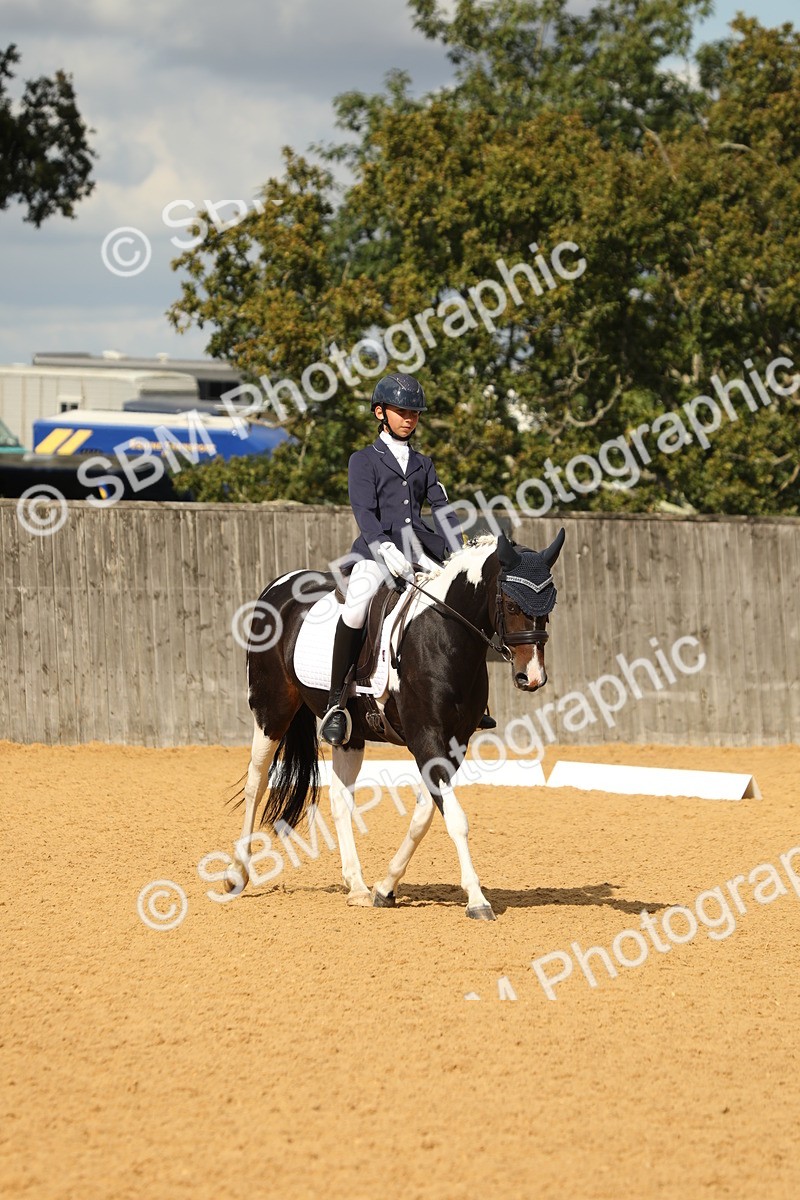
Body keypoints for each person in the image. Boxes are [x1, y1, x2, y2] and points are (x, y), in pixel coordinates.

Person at [320, 372, 463, 746]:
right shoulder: (363, 460)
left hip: (421, 553)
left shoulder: (424, 463)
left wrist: (459, 551)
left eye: (414, 413)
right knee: (356, 608)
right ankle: (336, 703)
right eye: (402, 411)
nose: (409, 418)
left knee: (460, 603)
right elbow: (364, 511)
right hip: (375, 552)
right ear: (380, 412)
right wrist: (383, 547)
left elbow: (442, 508)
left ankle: (468, 698)